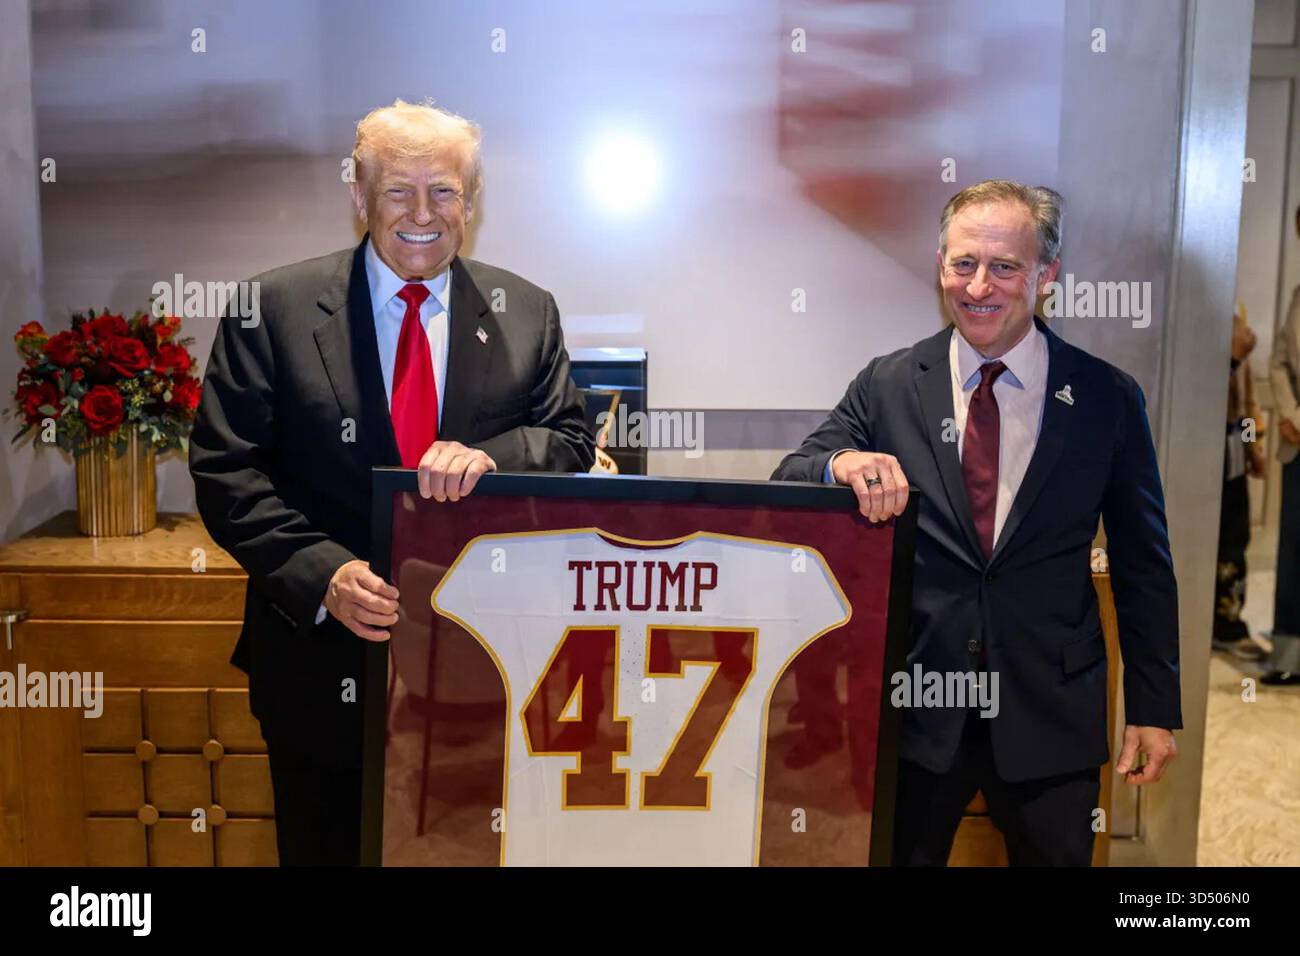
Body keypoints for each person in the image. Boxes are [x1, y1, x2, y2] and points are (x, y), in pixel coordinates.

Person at [189, 99, 595, 865]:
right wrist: (324, 574)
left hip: (486, 671)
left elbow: (570, 442)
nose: (422, 213)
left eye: (443, 191)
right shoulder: (268, 310)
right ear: (358, 197)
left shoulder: (525, 312)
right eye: (397, 190)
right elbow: (225, 466)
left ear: (469, 203)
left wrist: (493, 459)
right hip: (321, 668)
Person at [772, 180, 1181, 866]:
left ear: (1046, 276)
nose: (979, 285)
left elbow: (1143, 562)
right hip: (917, 709)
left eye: (1005, 266)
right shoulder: (891, 383)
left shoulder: (1108, 397)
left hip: (1051, 711)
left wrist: (1152, 705)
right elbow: (796, 471)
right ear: (940, 266)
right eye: (963, 263)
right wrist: (841, 463)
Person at [1212, 303, 1268, 659]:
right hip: (1199, 448)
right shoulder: (1199, 317)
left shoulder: (1236, 317)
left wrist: (1252, 445)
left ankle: (1228, 623)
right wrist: (1230, 359)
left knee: (1234, 538)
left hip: (1231, 445)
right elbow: (1199, 390)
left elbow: (1246, 398)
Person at [1264, 205, 1300, 685]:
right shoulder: (1297, 295)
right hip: (1298, 443)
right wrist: (1291, 413)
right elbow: (1277, 363)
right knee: (1292, 549)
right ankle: (1288, 658)